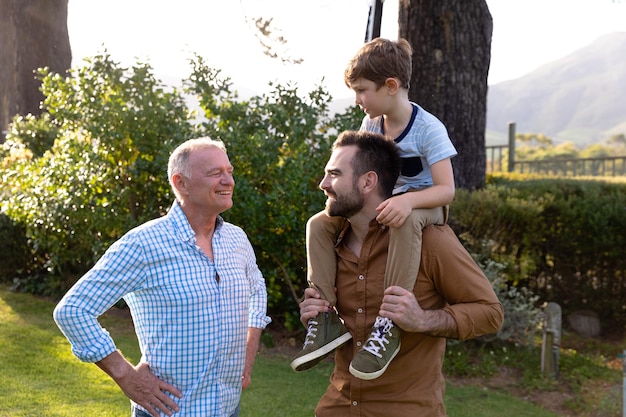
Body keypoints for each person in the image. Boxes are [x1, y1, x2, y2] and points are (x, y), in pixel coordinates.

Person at [53, 137, 271, 417]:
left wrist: (248, 352)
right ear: (181, 183)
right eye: (215, 173)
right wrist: (125, 375)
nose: (228, 181)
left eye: (229, 171)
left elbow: (257, 290)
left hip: (228, 409)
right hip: (168, 412)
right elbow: (72, 311)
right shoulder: (143, 244)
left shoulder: (236, 239)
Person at [299, 130, 503, 416]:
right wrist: (315, 310)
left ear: (368, 181)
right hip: (339, 406)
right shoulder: (330, 243)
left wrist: (422, 320)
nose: (323, 184)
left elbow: (491, 313)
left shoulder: (430, 241)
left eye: (334, 174)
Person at [291, 37, 457, 380]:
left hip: (425, 206)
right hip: (388, 206)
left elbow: (446, 190)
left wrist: (408, 199)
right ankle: (324, 318)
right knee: (319, 224)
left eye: (362, 90)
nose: (357, 99)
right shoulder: (372, 126)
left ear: (391, 86)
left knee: (405, 219)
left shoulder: (428, 129)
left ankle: (389, 322)